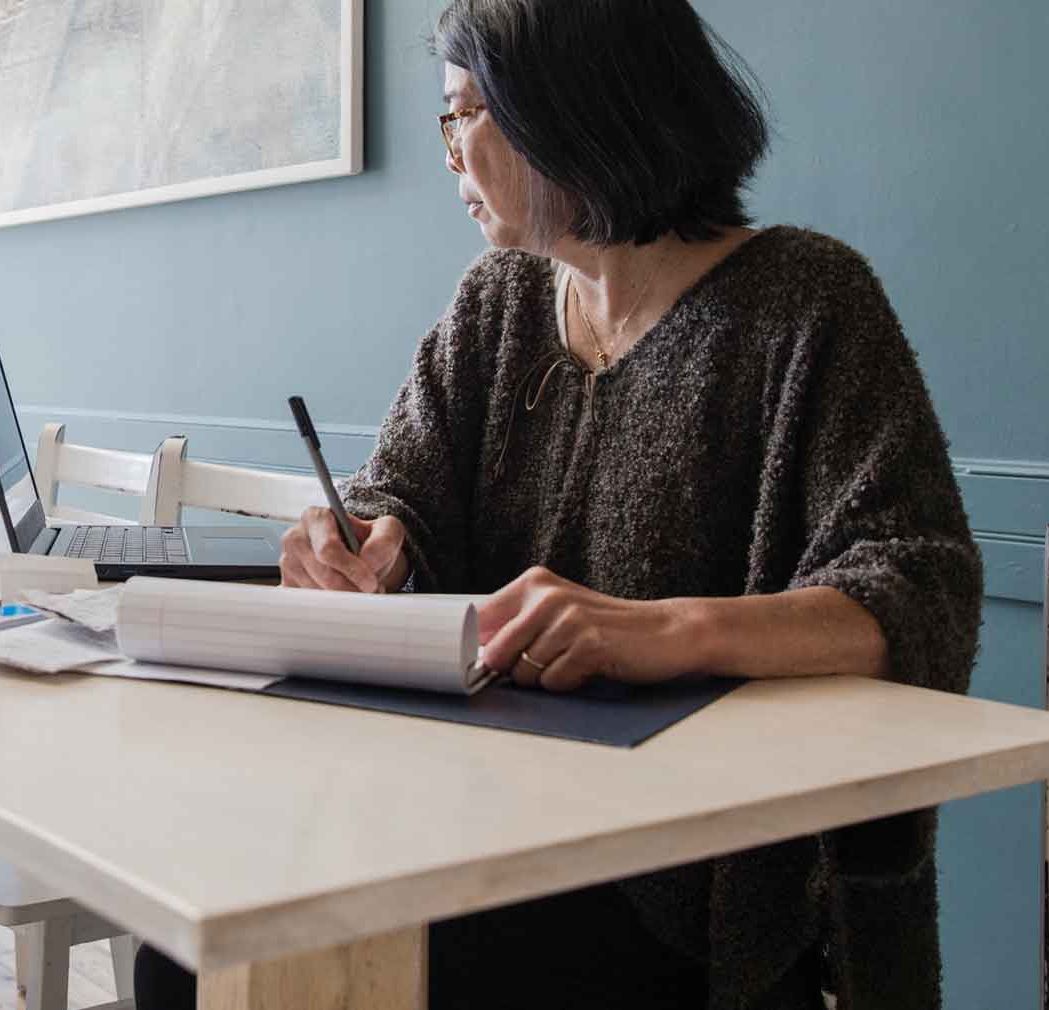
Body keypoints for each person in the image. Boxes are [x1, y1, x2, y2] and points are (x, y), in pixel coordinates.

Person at [137, 1, 982, 1007]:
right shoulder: (496, 300)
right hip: (476, 812)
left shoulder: (805, 303)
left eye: (464, 114)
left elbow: (919, 585)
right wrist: (371, 539)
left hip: (684, 881)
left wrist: (666, 630)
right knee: (187, 956)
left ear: (568, 109)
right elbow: (402, 486)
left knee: (261, 969)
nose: (449, 152)